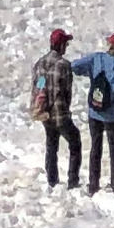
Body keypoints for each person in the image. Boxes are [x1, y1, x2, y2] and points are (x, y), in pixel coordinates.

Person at [29, 23, 80, 185]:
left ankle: (52, 180)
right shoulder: (63, 65)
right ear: (61, 45)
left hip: (44, 112)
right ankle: (72, 180)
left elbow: (38, 85)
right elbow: (66, 92)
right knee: (75, 142)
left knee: (51, 145)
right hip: (60, 113)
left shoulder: (39, 63)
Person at [81, 29, 114, 193]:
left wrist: (89, 72)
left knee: (96, 148)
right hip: (112, 115)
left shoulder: (96, 58)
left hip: (94, 111)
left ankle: (93, 185)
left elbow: (74, 66)